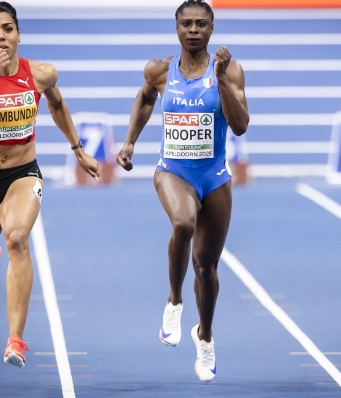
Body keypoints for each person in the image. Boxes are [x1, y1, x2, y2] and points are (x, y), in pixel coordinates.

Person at [0, 2, 99, 368]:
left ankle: (15, 339)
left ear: (18, 34)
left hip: (22, 174)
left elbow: (58, 105)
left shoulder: (41, 73)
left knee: (17, 235)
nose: (0, 35)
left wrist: (78, 150)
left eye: (7, 29)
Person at [116, 0, 248, 383]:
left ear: (211, 28)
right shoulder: (160, 70)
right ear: (176, 28)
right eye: (186, 23)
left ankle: (204, 336)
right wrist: (130, 143)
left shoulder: (231, 70)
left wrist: (221, 79)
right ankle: (174, 301)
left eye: (201, 24)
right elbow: (144, 98)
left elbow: (240, 126)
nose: (193, 30)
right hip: (172, 170)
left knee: (206, 268)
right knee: (183, 222)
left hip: (215, 176)